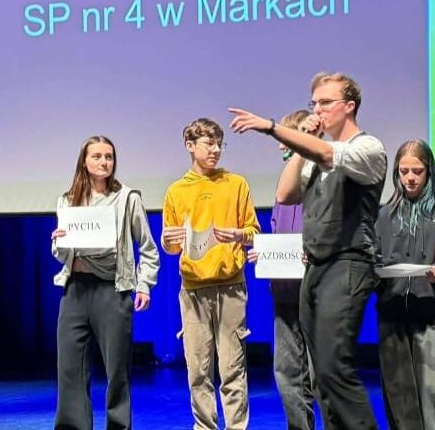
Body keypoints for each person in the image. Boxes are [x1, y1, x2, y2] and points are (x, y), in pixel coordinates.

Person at [227, 71, 390, 430]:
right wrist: (306, 141)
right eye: (313, 103)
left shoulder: (367, 148)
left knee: (333, 367)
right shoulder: (314, 154)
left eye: (325, 102)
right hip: (315, 267)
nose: (317, 110)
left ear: (349, 106)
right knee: (320, 377)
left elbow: (330, 154)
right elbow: (285, 193)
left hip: (348, 263)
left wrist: (272, 127)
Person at [51, 136, 161, 430]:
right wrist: (58, 242)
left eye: (109, 157)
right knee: (70, 367)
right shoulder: (68, 200)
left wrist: (144, 284)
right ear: (84, 161)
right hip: (75, 289)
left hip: (112, 289)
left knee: (117, 370)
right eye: (97, 156)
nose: (104, 162)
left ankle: (118, 425)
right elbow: (62, 254)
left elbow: (148, 248)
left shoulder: (127, 198)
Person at [161, 118, 262, 430]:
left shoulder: (236, 184)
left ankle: (237, 427)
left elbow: (254, 232)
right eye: (209, 143)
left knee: (233, 367)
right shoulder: (176, 191)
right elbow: (171, 246)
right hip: (193, 290)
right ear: (190, 146)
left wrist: (239, 235)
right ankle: (204, 426)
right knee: (198, 369)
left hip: (231, 287)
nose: (216, 150)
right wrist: (167, 240)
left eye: (220, 144)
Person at [374, 140, 435, 430]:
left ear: (429, 171)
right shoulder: (384, 214)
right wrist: (375, 274)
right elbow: (373, 259)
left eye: (417, 171)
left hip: (432, 313)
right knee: (400, 403)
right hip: (393, 315)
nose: (410, 178)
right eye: (404, 171)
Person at [246, 110, 322, 430]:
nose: (280, 146)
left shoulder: (322, 177)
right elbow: (278, 230)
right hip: (285, 292)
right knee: (287, 372)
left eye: (285, 140)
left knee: (321, 375)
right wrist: (263, 254)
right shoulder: (285, 185)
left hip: (317, 294)